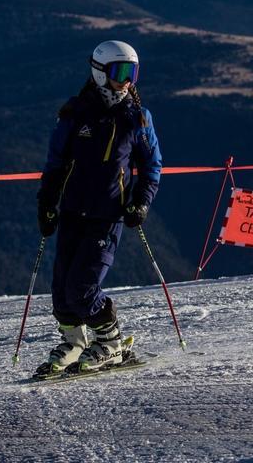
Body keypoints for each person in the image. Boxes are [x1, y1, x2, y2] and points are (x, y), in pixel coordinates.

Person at [33, 40, 162, 375]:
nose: (128, 80)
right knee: (62, 290)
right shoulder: (75, 113)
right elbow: (56, 163)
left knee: (83, 287)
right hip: (74, 211)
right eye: (121, 72)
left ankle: (111, 341)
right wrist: (47, 203)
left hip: (107, 214)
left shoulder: (137, 118)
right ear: (100, 72)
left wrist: (141, 203)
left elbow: (152, 167)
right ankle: (75, 342)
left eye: (132, 72)